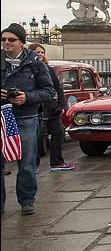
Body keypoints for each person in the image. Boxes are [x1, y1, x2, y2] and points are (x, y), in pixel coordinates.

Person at [1, 23, 55, 215]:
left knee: (26, 162)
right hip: (1, 118)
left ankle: (26, 200)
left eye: (11, 39)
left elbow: (49, 91)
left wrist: (27, 97)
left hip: (26, 117)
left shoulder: (35, 63)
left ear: (22, 43)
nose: (6, 43)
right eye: (3, 39)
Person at [29, 44, 75, 172]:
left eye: (42, 52)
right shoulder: (27, 69)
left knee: (58, 134)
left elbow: (58, 88)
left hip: (52, 108)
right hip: (36, 109)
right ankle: (34, 165)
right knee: (36, 139)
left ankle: (57, 163)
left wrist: (61, 105)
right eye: (37, 52)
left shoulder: (49, 70)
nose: (40, 54)